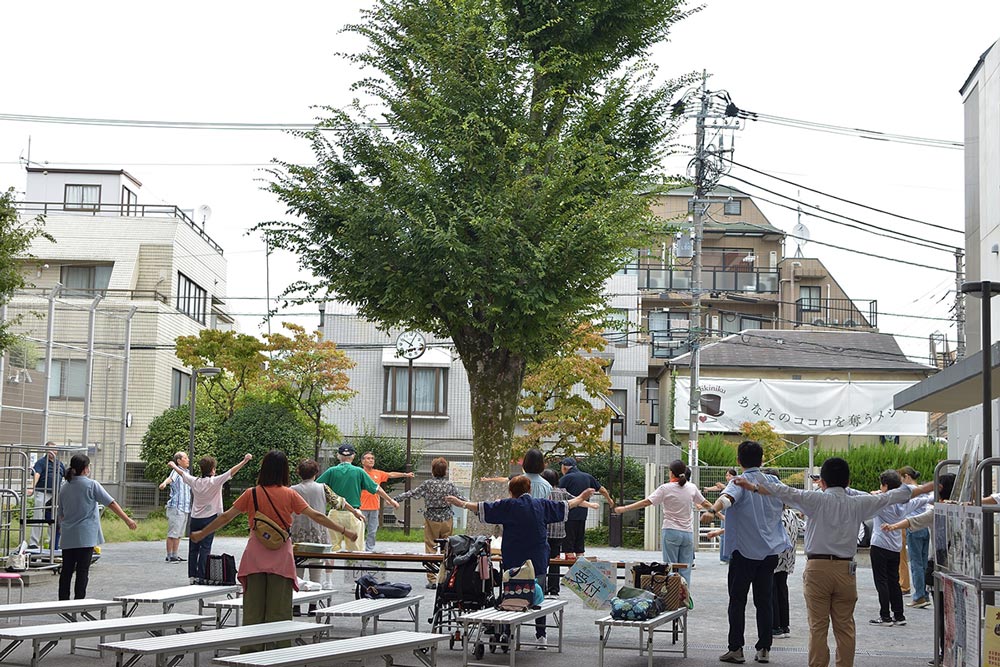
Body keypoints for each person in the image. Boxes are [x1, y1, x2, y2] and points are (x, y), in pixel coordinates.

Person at [733, 457, 935, 667]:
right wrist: (927, 487)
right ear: (848, 481)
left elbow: (783, 491)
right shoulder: (858, 503)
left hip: (817, 569)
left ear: (823, 482)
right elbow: (892, 496)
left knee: (818, 627)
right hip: (846, 570)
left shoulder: (813, 499)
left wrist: (753, 487)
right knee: (845, 626)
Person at [191, 450, 357, 652]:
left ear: (263, 469)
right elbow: (316, 516)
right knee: (279, 611)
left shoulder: (251, 493)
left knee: (252, 611)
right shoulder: (289, 494)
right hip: (281, 557)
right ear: (285, 471)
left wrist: (202, 533)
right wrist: (344, 530)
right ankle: (278, 654)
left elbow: (226, 517)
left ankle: (250, 655)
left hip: (254, 556)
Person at [445, 476, 594, 650]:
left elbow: (481, 507)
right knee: (538, 595)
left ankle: (507, 632)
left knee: (511, 594)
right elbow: (566, 506)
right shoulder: (541, 505)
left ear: (511, 491)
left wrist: (460, 503)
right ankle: (541, 636)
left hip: (513, 558)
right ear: (529, 489)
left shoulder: (507, 505)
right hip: (537, 558)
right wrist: (582, 497)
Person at [701, 441, 789, 665]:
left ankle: (736, 649)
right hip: (770, 552)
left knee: (737, 601)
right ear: (762, 460)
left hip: (744, 553)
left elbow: (726, 499)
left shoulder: (738, 482)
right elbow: (785, 504)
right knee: (764, 601)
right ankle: (764, 649)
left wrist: (712, 510)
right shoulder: (774, 481)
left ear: (739, 461)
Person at [884, 473, 955, 666]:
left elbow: (915, 520)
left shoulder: (938, 510)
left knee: (942, 613)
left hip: (940, 568)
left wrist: (893, 526)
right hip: (958, 571)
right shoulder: (962, 508)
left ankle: (944, 653)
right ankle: (952, 652)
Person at [614, 459, 714, 586]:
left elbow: (646, 502)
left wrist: (625, 508)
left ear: (671, 473)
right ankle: (685, 598)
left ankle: (672, 598)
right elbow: (705, 503)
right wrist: (720, 514)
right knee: (686, 569)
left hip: (671, 531)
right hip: (687, 533)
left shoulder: (665, 488)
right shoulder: (692, 487)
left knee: (671, 568)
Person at [58, 454, 136, 599]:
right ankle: (79, 601)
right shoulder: (92, 485)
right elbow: (111, 503)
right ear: (86, 469)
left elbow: (61, 514)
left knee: (66, 570)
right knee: (82, 571)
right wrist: (127, 519)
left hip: (68, 536)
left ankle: (62, 601)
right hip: (86, 536)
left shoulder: (64, 487)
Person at [290, 458, 363, 613]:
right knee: (316, 569)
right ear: (316, 473)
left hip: (297, 534)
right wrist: (355, 511)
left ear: (298, 473)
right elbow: (340, 502)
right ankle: (313, 605)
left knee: (297, 569)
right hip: (319, 533)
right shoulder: (323, 488)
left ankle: (296, 605)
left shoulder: (292, 490)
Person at [169, 453, 253, 582]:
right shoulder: (215, 481)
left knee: (193, 549)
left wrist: (174, 465)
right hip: (210, 519)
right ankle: (201, 576)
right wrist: (245, 460)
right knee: (205, 548)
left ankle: (192, 576)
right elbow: (231, 472)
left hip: (195, 518)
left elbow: (182, 474)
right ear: (213, 469)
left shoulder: (194, 481)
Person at [867, 470, 931, 627]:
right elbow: (923, 499)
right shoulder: (904, 505)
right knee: (894, 581)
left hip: (879, 544)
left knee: (881, 581)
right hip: (895, 547)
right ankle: (899, 615)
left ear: (885, 486)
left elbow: (865, 498)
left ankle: (885, 616)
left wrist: (875, 493)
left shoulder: (880, 501)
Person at [393, 457, 466, 589]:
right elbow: (461, 498)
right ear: (446, 471)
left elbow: (413, 493)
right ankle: (445, 577)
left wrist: (396, 498)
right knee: (447, 548)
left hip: (431, 517)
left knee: (430, 547)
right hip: (447, 517)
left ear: (432, 471)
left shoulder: (427, 484)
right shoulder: (449, 485)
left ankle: (432, 579)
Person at [316, 444, 398, 551]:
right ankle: (354, 567)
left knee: (332, 549)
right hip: (354, 514)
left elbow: (316, 487)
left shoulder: (331, 471)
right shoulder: (359, 471)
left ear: (338, 456)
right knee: (356, 550)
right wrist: (390, 499)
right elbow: (376, 488)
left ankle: (330, 568)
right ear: (353, 456)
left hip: (334, 513)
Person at [540, 468, 599, 596]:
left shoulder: (543, 492)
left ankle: (542, 587)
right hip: (559, 532)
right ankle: (554, 589)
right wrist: (591, 505)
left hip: (544, 532)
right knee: (555, 559)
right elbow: (577, 501)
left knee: (543, 560)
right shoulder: (563, 492)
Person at [558, 457, 615, 558]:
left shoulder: (566, 478)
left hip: (568, 517)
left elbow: (557, 493)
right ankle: (580, 570)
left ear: (565, 467)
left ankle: (572, 573)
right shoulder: (587, 477)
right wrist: (609, 500)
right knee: (579, 547)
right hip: (582, 516)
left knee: (568, 548)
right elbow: (602, 489)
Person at [359, 451, 413, 552]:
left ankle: (369, 550)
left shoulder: (377, 473)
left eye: (372, 458)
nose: (371, 460)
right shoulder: (359, 473)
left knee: (372, 531)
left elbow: (391, 474)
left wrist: (405, 474)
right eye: (368, 458)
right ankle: (358, 550)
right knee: (359, 530)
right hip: (360, 507)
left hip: (374, 507)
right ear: (362, 461)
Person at [898, 465, 931, 608]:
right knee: (923, 564)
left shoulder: (909, 490)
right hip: (924, 528)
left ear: (907, 477)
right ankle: (924, 594)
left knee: (916, 563)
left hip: (913, 527)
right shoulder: (922, 489)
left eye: (901, 478)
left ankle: (919, 596)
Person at [771, 504, 801, 640]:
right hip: (787, 559)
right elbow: (804, 527)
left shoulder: (773, 515)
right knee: (782, 590)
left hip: (774, 557)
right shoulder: (792, 514)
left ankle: (775, 627)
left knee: (772, 592)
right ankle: (785, 625)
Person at [28, 445, 66, 549]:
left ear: (57, 451)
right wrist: (32, 487)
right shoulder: (41, 462)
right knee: (38, 516)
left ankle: (52, 543)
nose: (52, 451)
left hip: (56, 495)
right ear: (46, 450)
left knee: (54, 518)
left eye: (54, 449)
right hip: (42, 492)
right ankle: (33, 543)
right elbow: (37, 474)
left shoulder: (59, 464)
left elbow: (67, 476)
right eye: (50, 449)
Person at [158, 451, 192, 563]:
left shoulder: (186, 473)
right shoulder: (177, 472)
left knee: (178, 534)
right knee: (173, 533)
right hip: (176, 506)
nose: (188, 460)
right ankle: (169, 555)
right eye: (185, 458)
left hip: (185, 507)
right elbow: (170, 479)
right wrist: (164, 483)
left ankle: (175, 554)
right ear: (179, 461)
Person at [704, 467, 737, 563]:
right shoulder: (728, 485)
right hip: (724, 511)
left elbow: (730, 494)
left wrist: (724, 488)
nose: (727, 477)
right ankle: (724, 556)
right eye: (726, 475)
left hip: (730, 511)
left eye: (729, 475)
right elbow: (717, 488)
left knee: (728, 532)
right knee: (724, 533)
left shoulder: (735, 485)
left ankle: (729, 556)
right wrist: (708, 489)